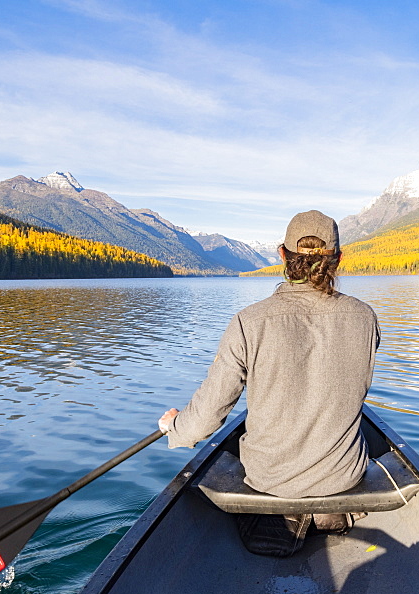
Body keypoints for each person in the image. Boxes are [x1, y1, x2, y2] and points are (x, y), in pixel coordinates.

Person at [158, 210, 380, 502]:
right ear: (338, 259)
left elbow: (206, 418)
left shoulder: (248, 322)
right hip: (343, 478)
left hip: (269, 481)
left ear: (282, 256)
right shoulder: (365, 318)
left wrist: (176, 425)